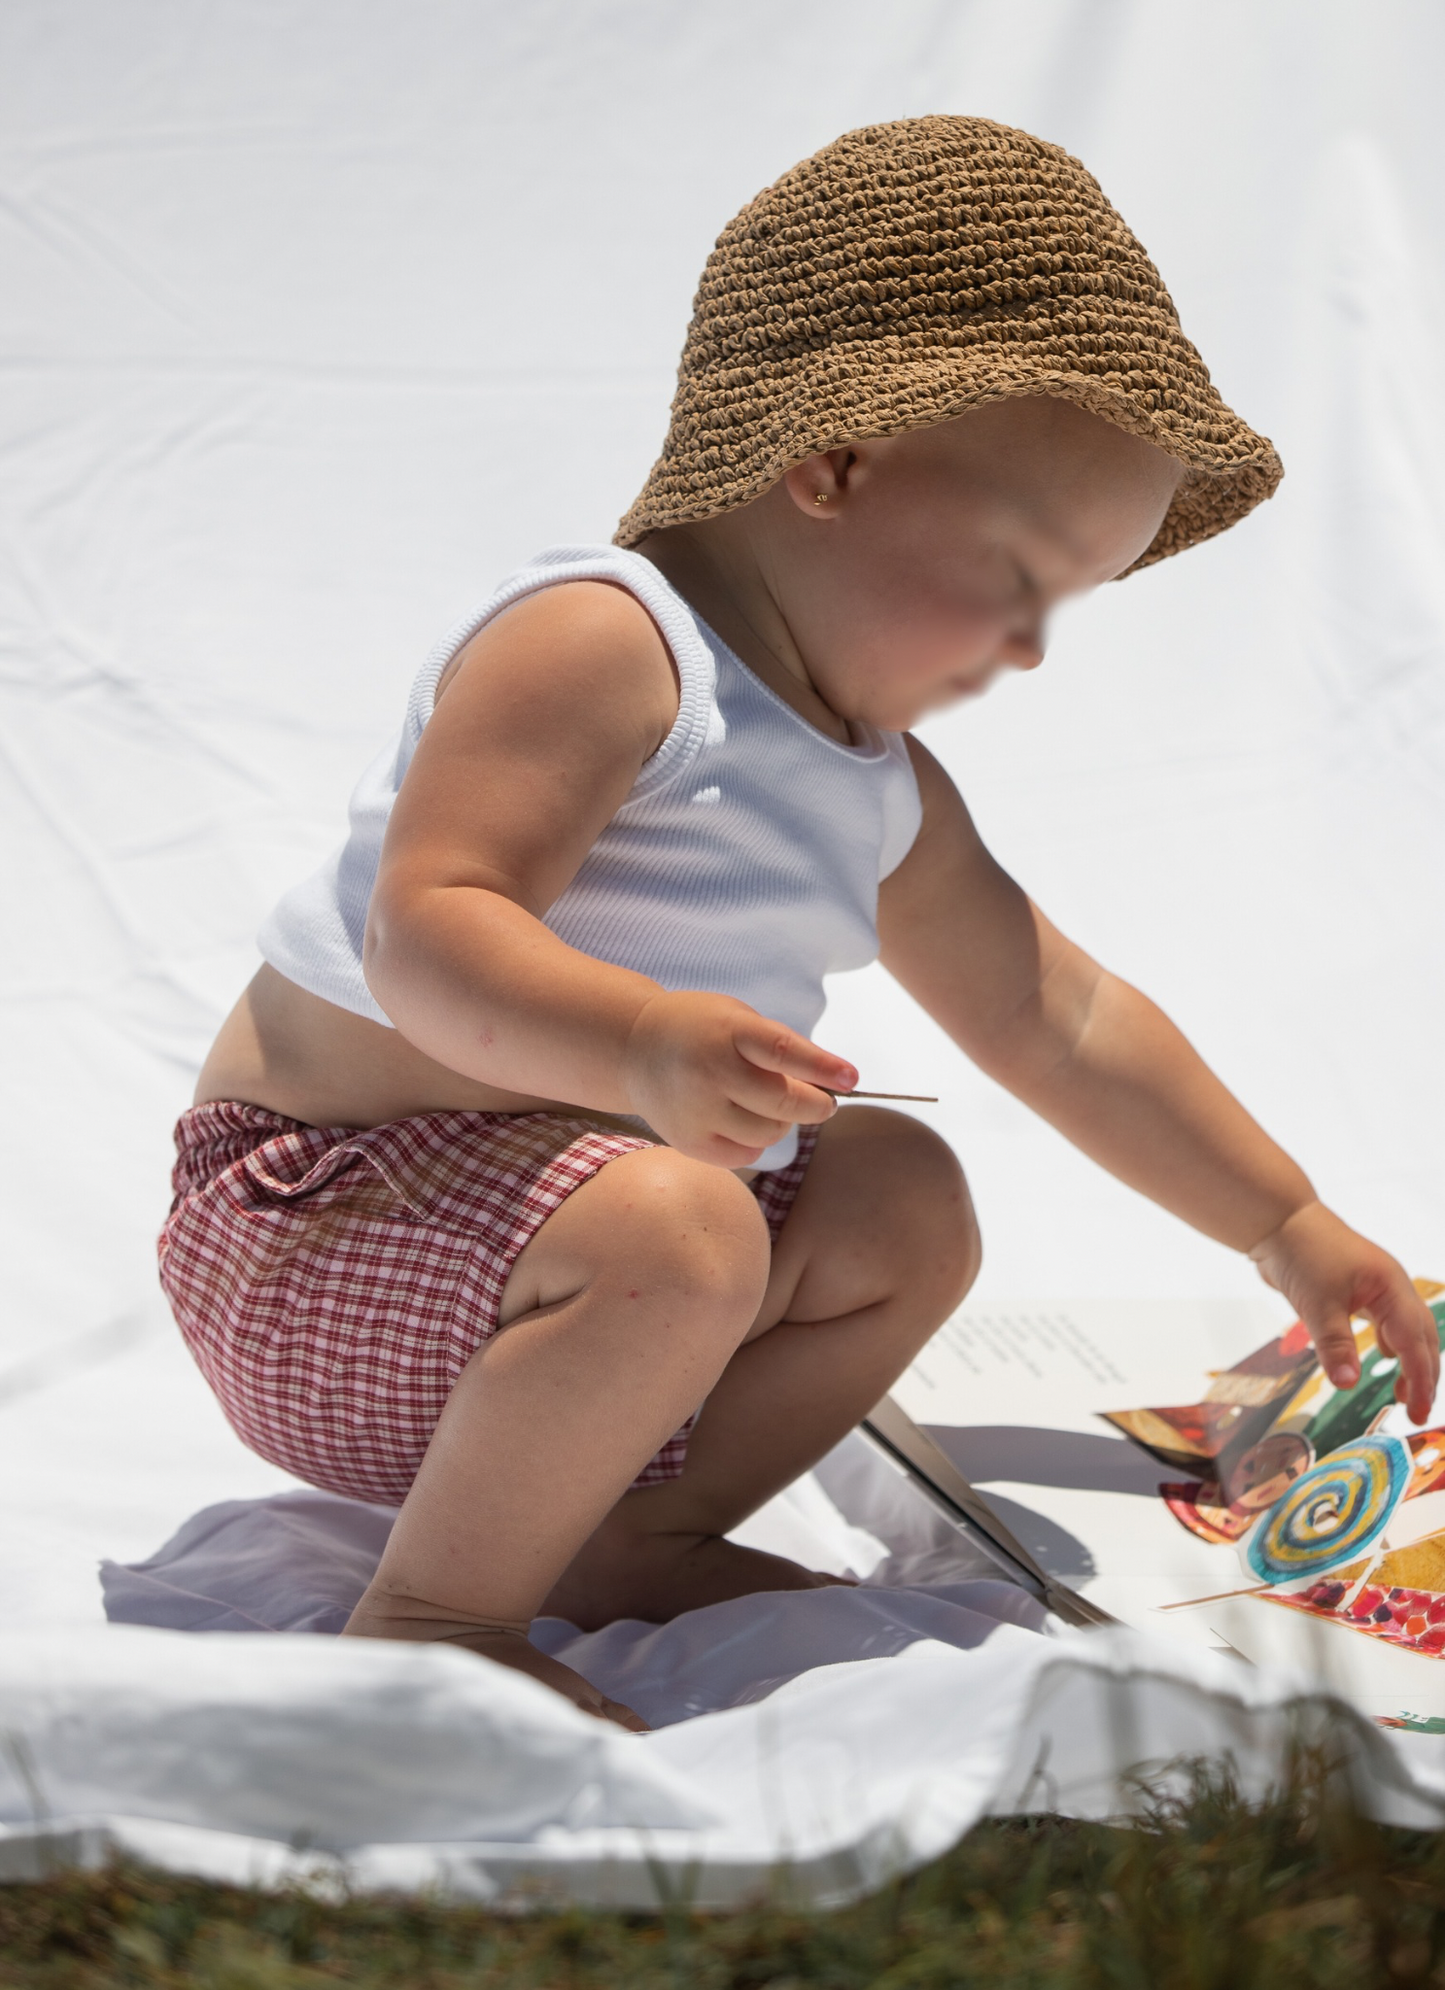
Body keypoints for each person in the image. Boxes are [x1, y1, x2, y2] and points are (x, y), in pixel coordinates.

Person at [158, 116, 1439, 1731]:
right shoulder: (607, 642)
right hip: (318, 1236)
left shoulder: (874, 780)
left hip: (570, 1296)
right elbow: (429, 930)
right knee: (686, 1221)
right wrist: (637, 1042)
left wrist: (1284, 1219)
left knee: (910, 1200)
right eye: (1019, 577)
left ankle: (629, 1532)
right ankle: (433, 1616)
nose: (1031, 651)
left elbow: (1057, 1015)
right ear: (830, 462)